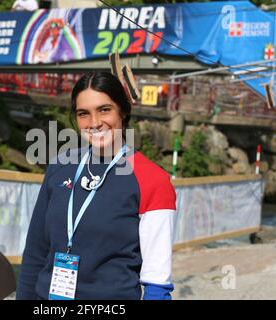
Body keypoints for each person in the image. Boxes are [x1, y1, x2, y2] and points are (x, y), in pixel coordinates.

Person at [17, 71, 177, 300]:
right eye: (84, 114)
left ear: (123, 110)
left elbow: (157, 284)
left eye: (104, 110)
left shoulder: (153, 180)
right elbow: (35, 253)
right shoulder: (60, 167)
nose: (94, 123)